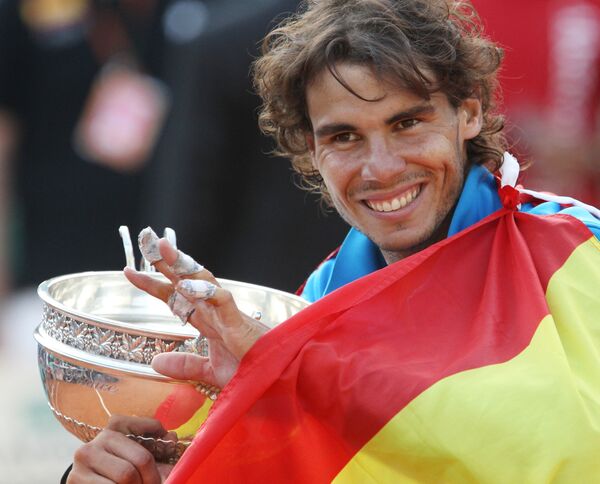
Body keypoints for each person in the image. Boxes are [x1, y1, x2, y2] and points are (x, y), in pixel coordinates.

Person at [66, 0, 600, 482]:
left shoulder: (579, 246)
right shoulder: (311, 306)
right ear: (310, 150)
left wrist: (305, 376)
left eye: (408, 122)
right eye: (344, 137)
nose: (383, 167)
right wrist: (163, 473)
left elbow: (567, 459)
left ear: (470, 111)